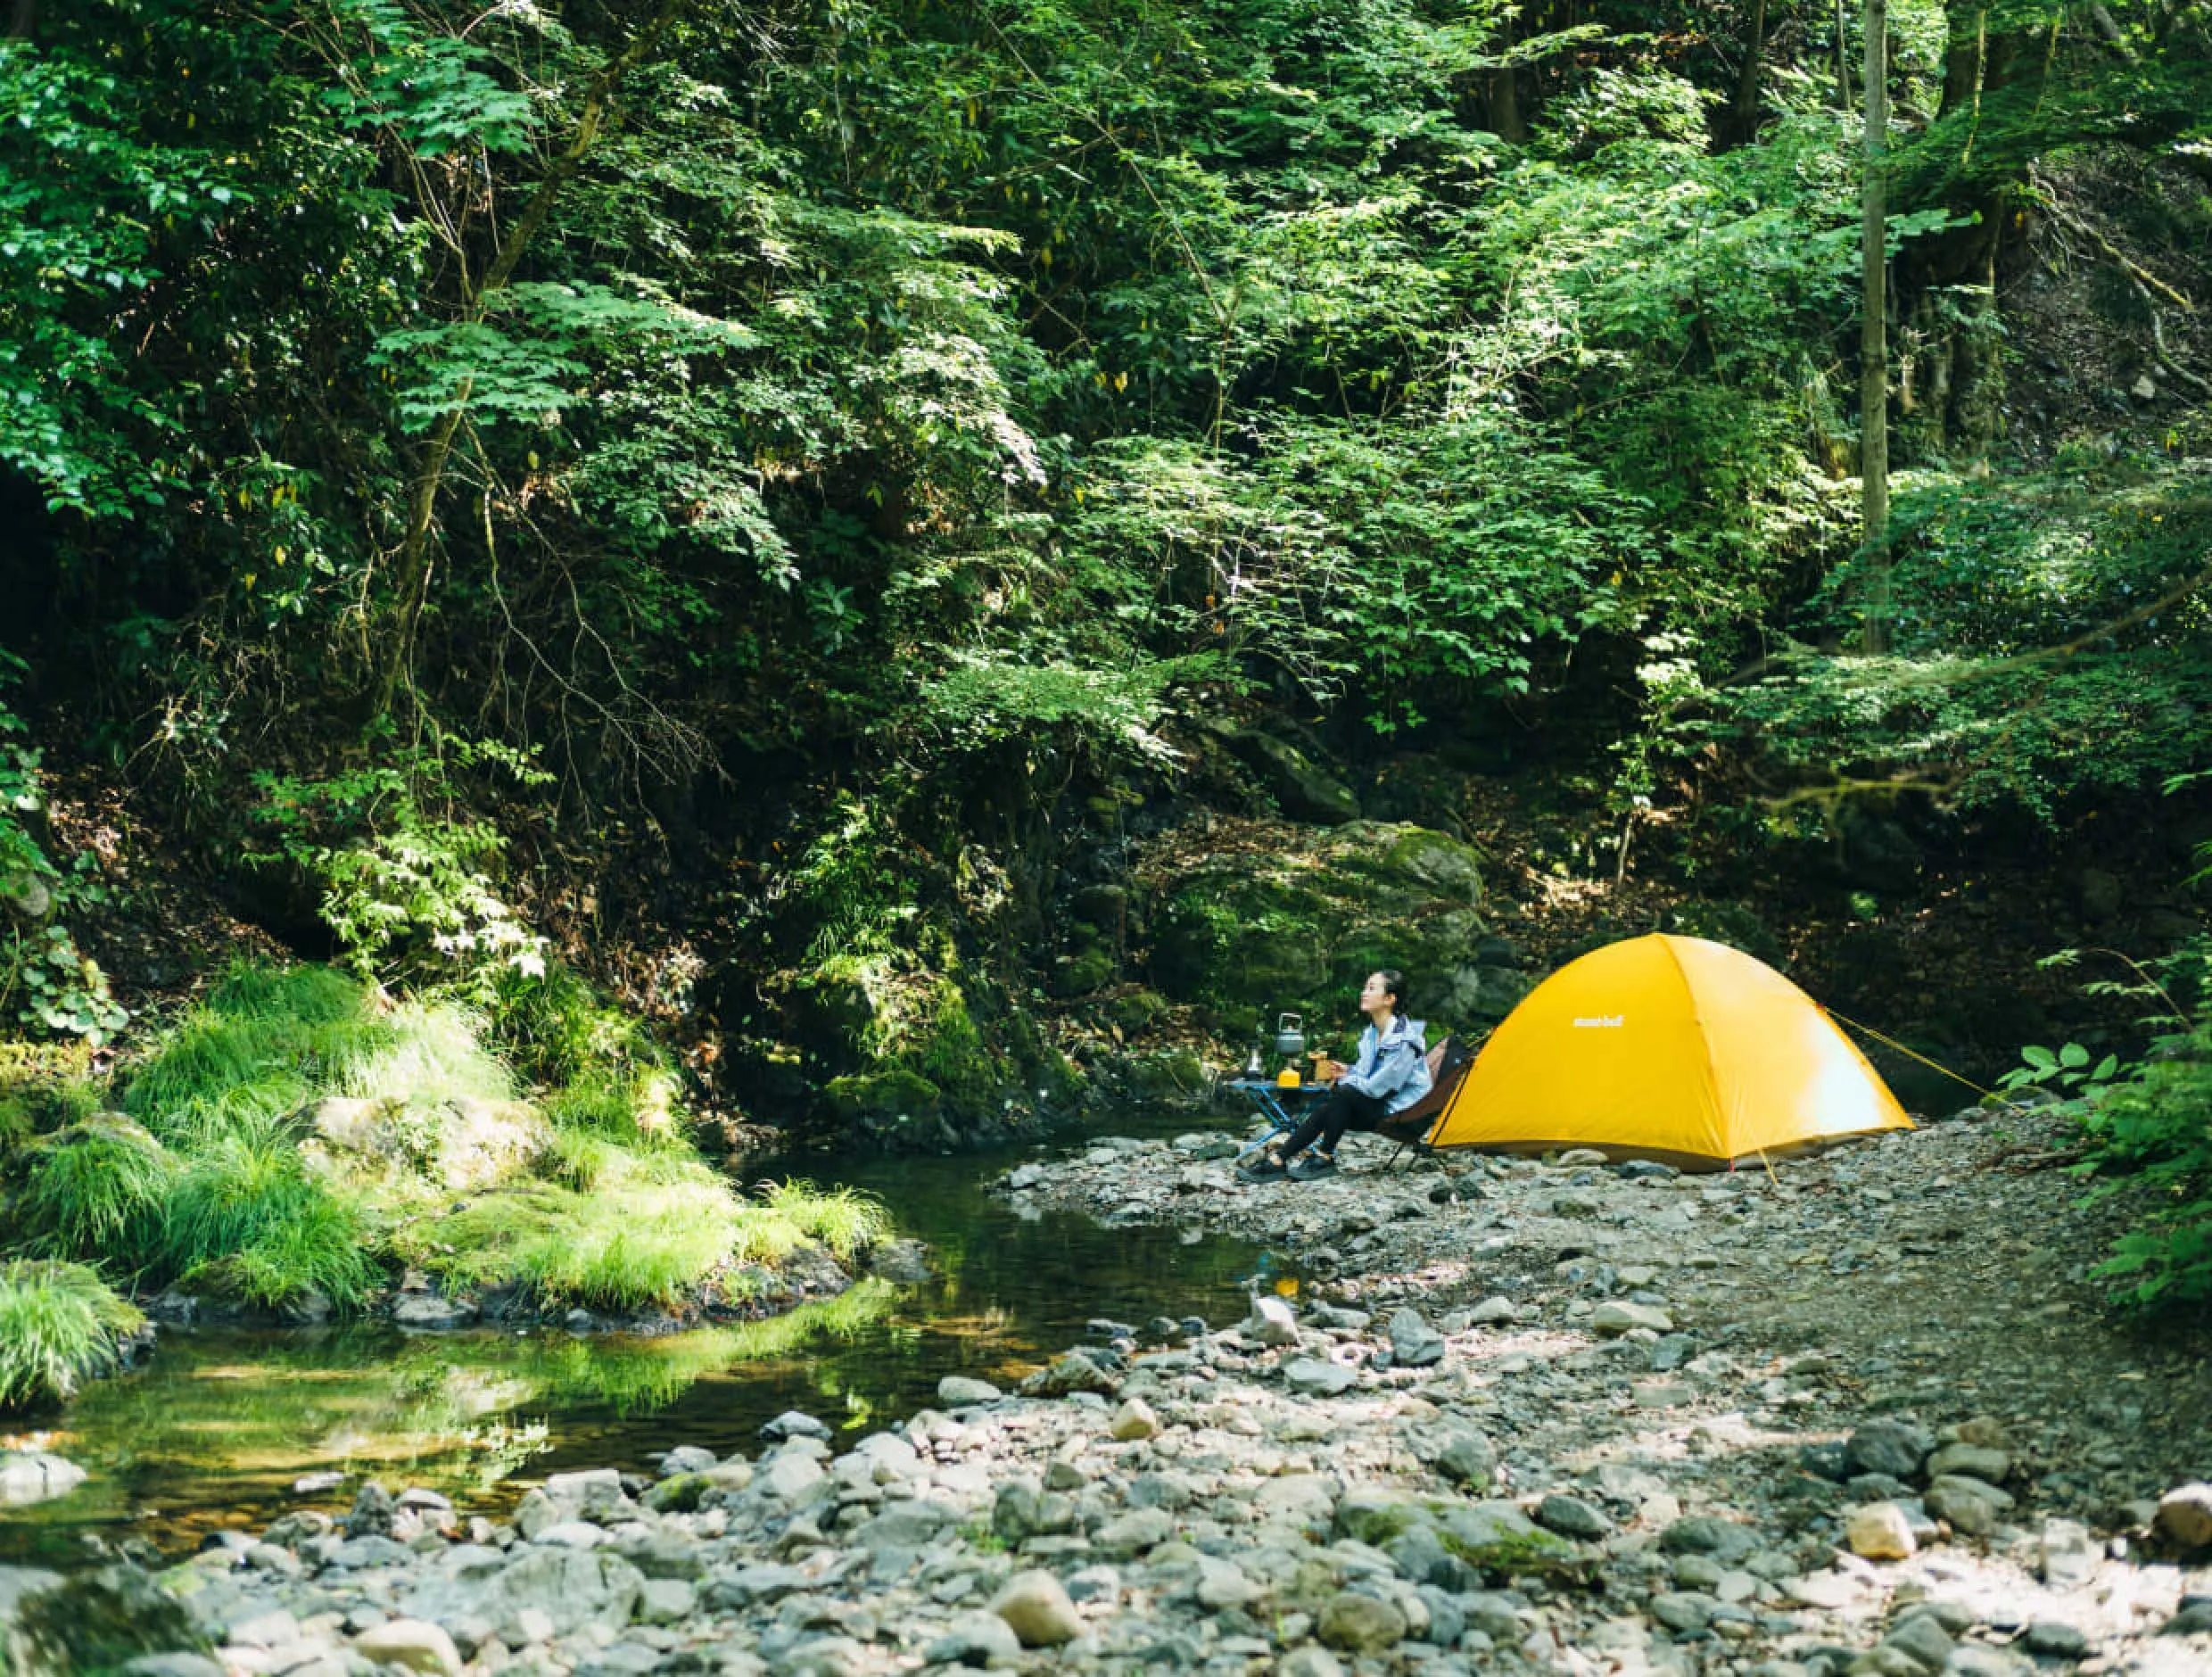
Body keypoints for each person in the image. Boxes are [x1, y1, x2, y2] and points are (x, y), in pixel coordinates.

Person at [1240, 969, 1430, 1182]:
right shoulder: (1373, 1033)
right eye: (1365, 987)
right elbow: (1367, 1074)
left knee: (1343, 1093)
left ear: (1389, 999)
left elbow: (1379, 1088)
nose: (1363, 993)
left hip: (1400, 1112)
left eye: (1371, 988)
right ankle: (1283, 1159)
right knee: (1330, 1105)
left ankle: (1319, 1157)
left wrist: (1347, 1080)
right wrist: (1348, 1071)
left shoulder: (1405, 1041)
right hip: (1372, 1104)